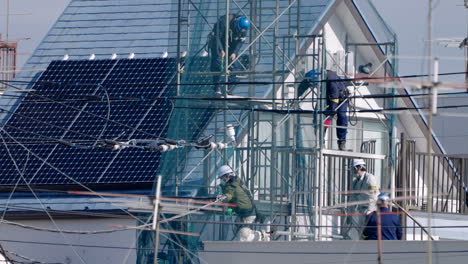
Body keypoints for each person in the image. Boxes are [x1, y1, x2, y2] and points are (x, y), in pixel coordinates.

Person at [216, 165, 267, 241]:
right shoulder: (237, 181)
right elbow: (232, 200)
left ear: (226, 176)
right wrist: (230, 211)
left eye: (222, 178)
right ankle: (255, 236)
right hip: (245, 212)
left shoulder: (231, 186)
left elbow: (229, 196)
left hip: (247, 214)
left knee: (243, 237)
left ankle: (261, 235)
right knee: (237, 230)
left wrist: (222, 198)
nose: (222, 180)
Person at [208, 14, 250, 95]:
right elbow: (217, 37)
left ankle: (229, 89)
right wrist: (221, 49)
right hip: (218, 42)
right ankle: (216, 87)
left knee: (234, 67)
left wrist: (235, 52)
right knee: (217, 63)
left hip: (231, 43)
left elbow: (241, 41)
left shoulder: (244, 28)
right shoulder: (224, 22)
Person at [345, 159, 378, 240]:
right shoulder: (355, 182)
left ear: (358, 168)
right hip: (361, 211)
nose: (352, 171)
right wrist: (349, 214)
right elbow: (352, 199)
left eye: (353, 169)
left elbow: (373, 195)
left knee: (370, 233)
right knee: (361, 234)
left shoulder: (369, 178)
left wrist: (370, 210)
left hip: (370, 211)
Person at [324, 70, 349, 150]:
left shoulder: (331, 80)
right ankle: (320, 139)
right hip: (327, 97)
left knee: (341, 116)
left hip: (341, 97)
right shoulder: (311, 75)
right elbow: (303, 86)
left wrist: (330, 114)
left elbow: (334, 99)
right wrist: (297, 97)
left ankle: (342, 142)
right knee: (318, 114)